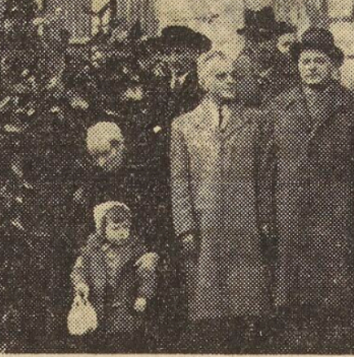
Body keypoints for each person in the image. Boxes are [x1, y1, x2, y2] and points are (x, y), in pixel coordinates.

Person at [258, 28, 354, 352]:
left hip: (336, 213)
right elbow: (266, 169)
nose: (311, 68)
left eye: (319, 61)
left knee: (334, 297)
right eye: (305, 61)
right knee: (291, 296)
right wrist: (266, 215)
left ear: (334, 65)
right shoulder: (278, 107)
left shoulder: (352, 106)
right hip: (290, 213)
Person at [169, 50, 271, 353]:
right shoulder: (183, 125)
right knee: (209, 312)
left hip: (245, 225)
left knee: (246, 308)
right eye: (221, 76)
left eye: (234, 76)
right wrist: (185, 227)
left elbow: (265, 177)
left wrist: (264, 220)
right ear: (203, 81)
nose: (230, 82)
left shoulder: (256, 121)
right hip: (205, 226)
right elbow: (178, 180)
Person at [70, 202, 157, 353]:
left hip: (126, 309)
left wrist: (143, 296)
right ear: (103, 229)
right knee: (97, 345)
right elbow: (79, 269)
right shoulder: (91, 250)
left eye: (126, 227)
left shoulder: (136, 250)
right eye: (115, 228)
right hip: (99, 309)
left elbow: (147, 275)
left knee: (123, 344)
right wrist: (81, 285)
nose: (122, 233)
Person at [234, 7, 299, 106]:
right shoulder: (235, 74)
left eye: (266, 37)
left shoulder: (292, 70)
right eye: (254, 38)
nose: (261, 45)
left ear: (276, 38)